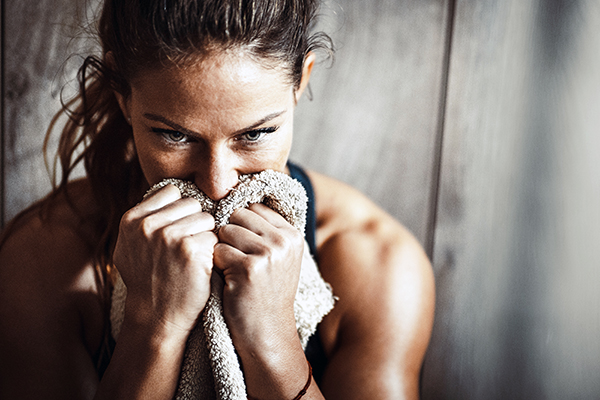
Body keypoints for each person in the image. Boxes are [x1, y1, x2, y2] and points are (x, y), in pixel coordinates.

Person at [0, 0, 435, 399]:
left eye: (255, 134)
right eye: (174, 135)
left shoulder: (377, 264)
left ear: (301, 82)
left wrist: (273, 341)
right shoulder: (44, 257)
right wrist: (153, 327)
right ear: (124, 98)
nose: (216, 183)